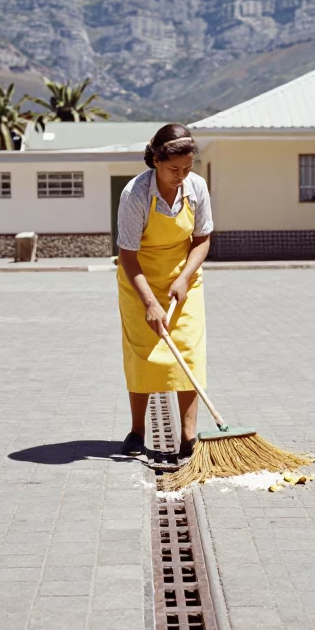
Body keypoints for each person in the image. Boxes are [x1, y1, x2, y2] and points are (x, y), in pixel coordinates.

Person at [115, 123, 213, 460]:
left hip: (182, 281)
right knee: (142, 353)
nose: (181, 176)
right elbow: (127, 254)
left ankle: (188, 436)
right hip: (139, 278)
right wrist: (149, 303)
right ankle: (137, 431)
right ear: (156, 161)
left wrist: (185, 277)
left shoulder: (197, 188)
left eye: (187, 168)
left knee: (188, 352)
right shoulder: (135, 194)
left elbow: (202, 240)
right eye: (174, 169)